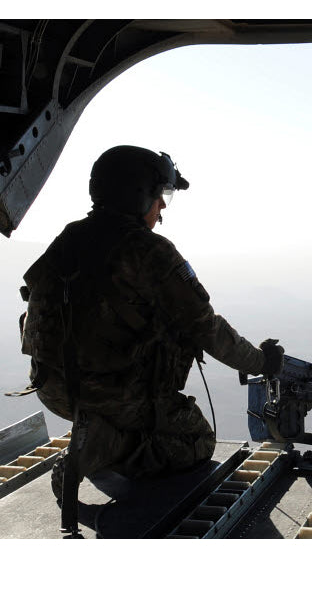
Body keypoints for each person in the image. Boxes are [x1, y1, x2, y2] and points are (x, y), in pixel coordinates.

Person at [19, 145, 283, 491]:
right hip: (108, 394)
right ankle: (103, 447)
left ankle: (101, 432)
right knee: (198, 441)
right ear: (139, 196)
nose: (160, 210)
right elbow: (207, 329)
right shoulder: (149, 251)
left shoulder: (69, 237)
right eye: (160, 197)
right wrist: (262, 361)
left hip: (52, 389)